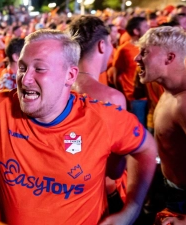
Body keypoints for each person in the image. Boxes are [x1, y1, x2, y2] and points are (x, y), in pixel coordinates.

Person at [0, 29, 157, 224]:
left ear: (70, 75)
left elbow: (146, 148)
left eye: (39, 69)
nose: (25, 79)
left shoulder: (102, 119)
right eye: (22, 68)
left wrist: (131, 211)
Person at [134, 26, 186, 225]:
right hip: (171, 191)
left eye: (144, 52)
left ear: (169, 58)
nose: (136, 58)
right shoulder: (169, 91)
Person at [68, 15, 128, 214]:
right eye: (111, 43)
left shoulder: (59, 88)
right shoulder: (112, 98)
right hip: (100, 191)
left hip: (63, 188)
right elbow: (115, 169)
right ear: (102, 45)